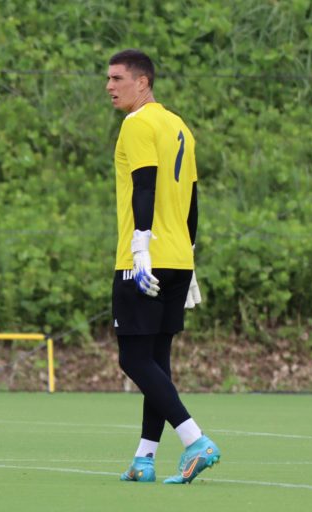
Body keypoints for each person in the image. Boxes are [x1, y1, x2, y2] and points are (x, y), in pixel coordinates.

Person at [106, 49, 220, 484]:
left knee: (133, 358)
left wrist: (140, 248)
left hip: (145, 259)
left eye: (118, 78)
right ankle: (145, 458)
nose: (110, 86)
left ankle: (195, 439)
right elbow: (192, 200)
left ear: (143, 82)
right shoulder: (179, 126)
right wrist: (189, 256)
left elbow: (145, 184)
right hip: (177, 258)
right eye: (108, 79)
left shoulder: (137, 124)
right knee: (156, 359)